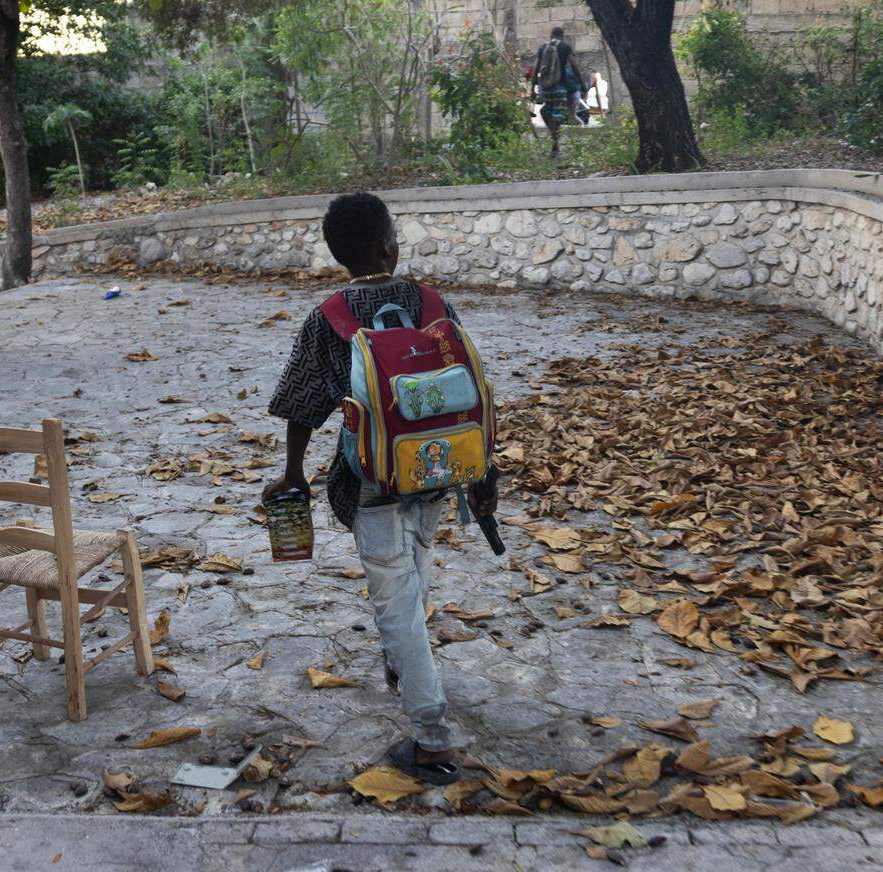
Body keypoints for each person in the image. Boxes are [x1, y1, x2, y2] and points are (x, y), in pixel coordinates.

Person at [263, 192, 497, 785]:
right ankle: (403, 662)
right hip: (439, 467)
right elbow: (471, 385)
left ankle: (431, 738)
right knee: (415, 565)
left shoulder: (331, 316)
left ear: (340, 255)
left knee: (394, 596)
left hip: (373, 477)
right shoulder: (431, 302)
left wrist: (293, 473)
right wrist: (483, 469)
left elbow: (300, 404)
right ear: (389, 245)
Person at [531, 26, 584, 155]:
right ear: (562, 35)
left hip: (546, 88)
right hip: (560, 87)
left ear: (551, 35)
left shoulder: (543, 47)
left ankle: (554, 141)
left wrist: (533, 88)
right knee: (558, 116)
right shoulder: (565, 47)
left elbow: (536, 68)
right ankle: (555, 145)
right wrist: (582, 83)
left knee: (545, 111)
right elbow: (574, 65)